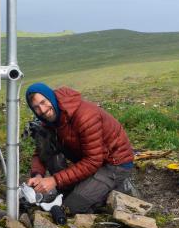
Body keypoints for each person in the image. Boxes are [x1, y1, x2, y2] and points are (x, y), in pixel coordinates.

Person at [25, 82, 135, 214]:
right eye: (36, 107)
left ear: (51, 97)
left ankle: (121, 188)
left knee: (73, 207)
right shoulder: (49, 120)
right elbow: (41, 150)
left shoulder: (85, 116)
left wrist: (55, 180)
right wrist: (37, 175)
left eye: (43, 102)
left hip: (114, 163)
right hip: (88, 159)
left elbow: (93, 160)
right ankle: (76, 187)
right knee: (47, 143)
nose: (42, 110)